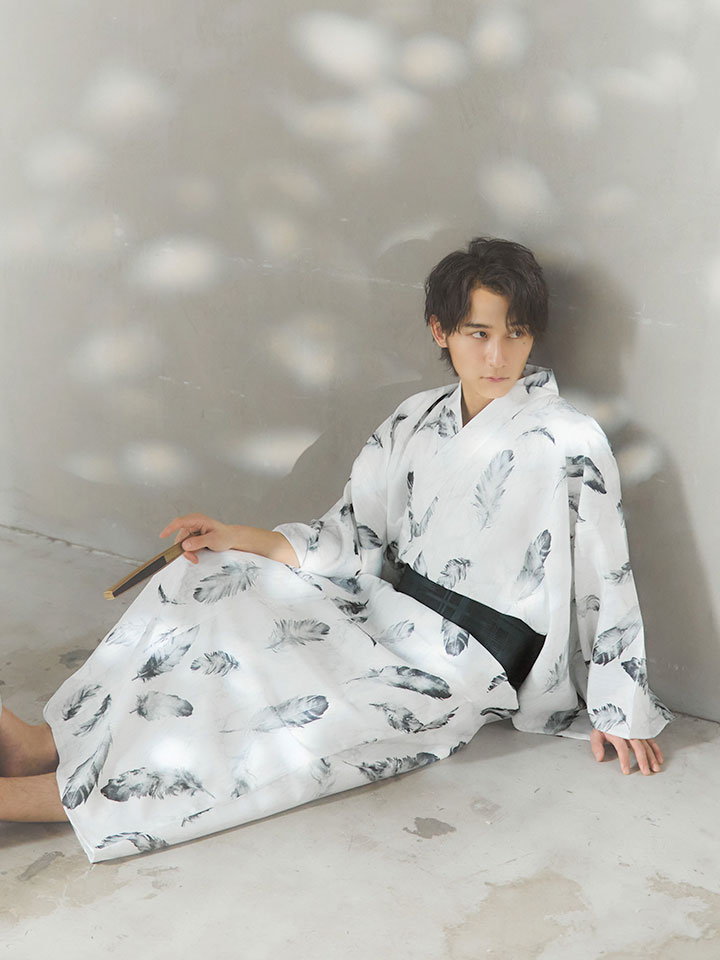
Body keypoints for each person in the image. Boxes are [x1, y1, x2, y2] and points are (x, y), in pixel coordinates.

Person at [0, 237, 670, 862]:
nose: (498, 356)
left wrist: (619, 706)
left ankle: (60, 797)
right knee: (207, 579)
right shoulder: (415, 418)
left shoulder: (568, 439)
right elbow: (354, 535)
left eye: (515, 334)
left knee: (278, 704)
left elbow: (605, 573)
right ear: (441, 331)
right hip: (386, 609)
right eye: (479, 333)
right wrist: (240, 539)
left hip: (462, 662)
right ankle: (46, 744)